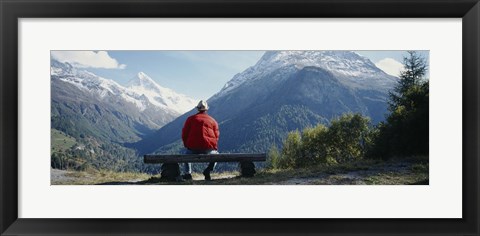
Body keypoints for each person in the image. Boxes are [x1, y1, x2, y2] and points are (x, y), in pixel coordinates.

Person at [181, 100, 220, 180]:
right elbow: (216, 136)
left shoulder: (190, 119)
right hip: (208, 149)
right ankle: (208, 170)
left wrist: (187, 145)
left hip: (193, 149)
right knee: (217, 156)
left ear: (198, 109)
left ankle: (188, 174)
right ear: (206, 109)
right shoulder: (213, 121)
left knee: (186, 156)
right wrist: (214, 147)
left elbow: (184, 134)